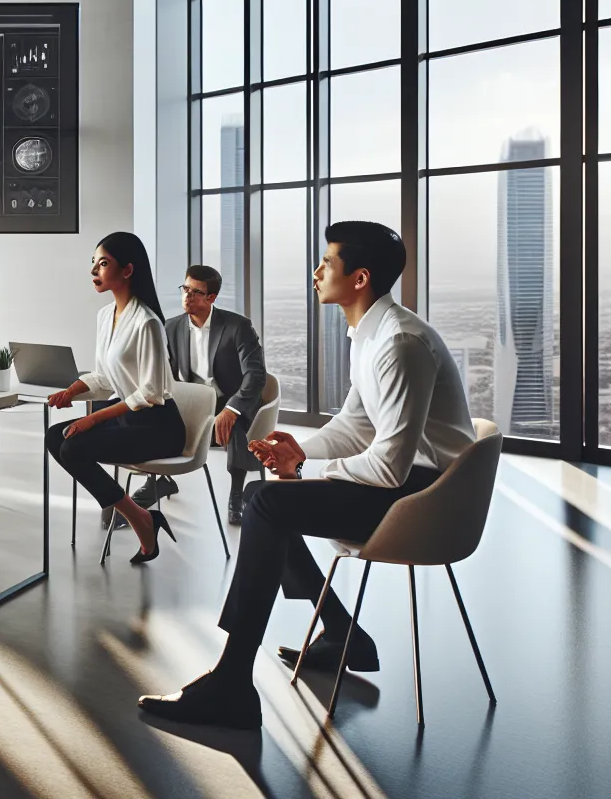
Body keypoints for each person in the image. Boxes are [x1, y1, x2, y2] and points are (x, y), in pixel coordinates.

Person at [139, 221, 476, 729]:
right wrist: (301, 449)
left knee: (266, 503)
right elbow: (356, 423)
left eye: (327, 263)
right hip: (413, 484)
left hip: (428, 500)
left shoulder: (400, 343)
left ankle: (232, 682)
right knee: (267, 502)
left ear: (359, 278)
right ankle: (340, 633)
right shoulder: (371, 333)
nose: (315, 272)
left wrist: (306, 469)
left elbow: (389, 467)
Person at [43, 231, 185, 563]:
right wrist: (72, 391)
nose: (94, 270)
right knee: (55, 437)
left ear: (128, 270)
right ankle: (141, 516)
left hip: (158, 426)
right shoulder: (106, 316)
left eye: (103, 263)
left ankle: (139, 520)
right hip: (126, 417)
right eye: (93, 262)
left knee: (73, 448)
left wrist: (92, 418)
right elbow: (105, 378)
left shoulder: (148, 322)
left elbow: (150, 392)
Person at [128, 264, 267, 527]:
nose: (187, 296)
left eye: (196, 292)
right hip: (192, 403)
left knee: (234, 424)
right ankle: (157, 481)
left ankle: (237, 493)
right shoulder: (170, 327)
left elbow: (256, 374)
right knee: (149, 417)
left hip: (228, 399)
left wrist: (232, 409)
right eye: (185, 289)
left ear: (211, 297)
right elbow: (162, 373)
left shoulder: (237, 326)